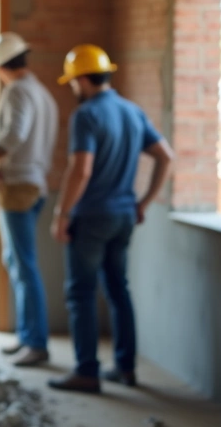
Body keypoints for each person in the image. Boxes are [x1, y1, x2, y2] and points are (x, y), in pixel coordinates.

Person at [46, 44, 174, 394]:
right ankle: (126, 368)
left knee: (81, 293)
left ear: (84, 79)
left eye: (73, 81)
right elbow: (166, 156)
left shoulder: (86, 115)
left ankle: (86, 371)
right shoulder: (132, 111)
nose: (73, 88)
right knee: (119, 290)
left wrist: (62, 213)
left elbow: (81, 169)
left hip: (91, 218)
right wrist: (144, 202)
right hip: (123, 216)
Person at [0, 33, 58, 368]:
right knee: (18, 261)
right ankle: (28, 337)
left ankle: (36, 343)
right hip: (36, 183)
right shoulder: (42, 92)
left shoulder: (18, 91)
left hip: (18, 185)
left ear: (2, 66)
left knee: (23, 265)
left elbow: (15, 134)